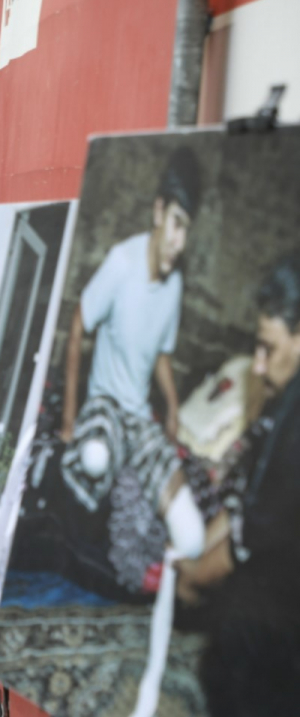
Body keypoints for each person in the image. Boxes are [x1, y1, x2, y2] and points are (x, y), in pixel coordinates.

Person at [174, 254, 300, 716]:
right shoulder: (281, 404)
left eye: (269, 348)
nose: (260, 365)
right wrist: (192, 558)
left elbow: (245, 542)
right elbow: (242, 502)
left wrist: (192, 577)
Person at [58, 147, 201, 519]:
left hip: (139, 415)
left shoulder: (175, 283)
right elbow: (78, 323)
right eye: (176, 223)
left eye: (187, 229)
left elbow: (161, 353)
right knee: (94, 459)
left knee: (188, 529)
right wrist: (70, 420)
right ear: (158, 212)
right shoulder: (122, 262)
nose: (179, 242)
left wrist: (171, 409)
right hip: (104, 404)